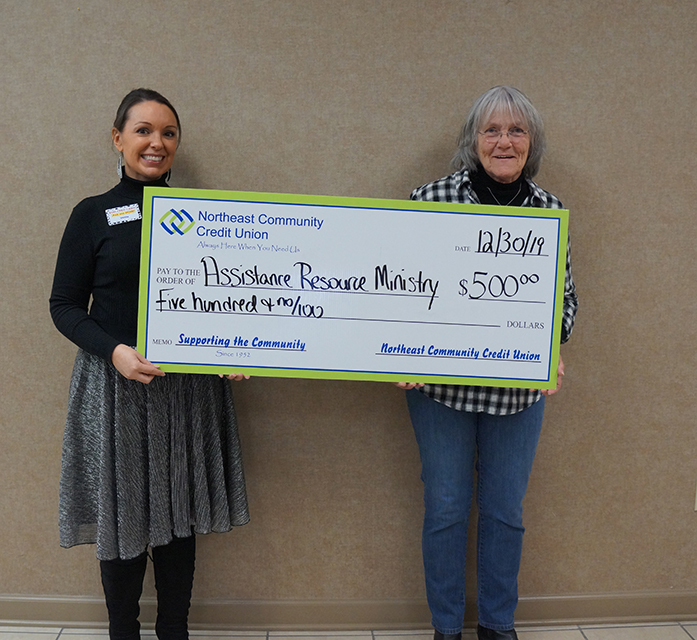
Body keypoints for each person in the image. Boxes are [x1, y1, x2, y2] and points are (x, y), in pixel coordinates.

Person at [50, 88, 250, 640]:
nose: (156, 143)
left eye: (167, 133)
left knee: (177, 514)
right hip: (114, 387)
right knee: (123, 515)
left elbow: (231, 298)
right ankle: (123, 632)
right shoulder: (91, 214)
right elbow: (64, 306)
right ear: (118, 139)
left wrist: (237, 349)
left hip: (187, 388)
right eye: (143, 130)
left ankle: (174, 630)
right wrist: (113, 350)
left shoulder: (206, 216)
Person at [399, 86, 577, 640]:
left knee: (505, 513)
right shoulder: (430, 200)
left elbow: (564, 303)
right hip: (440, 390)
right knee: (447, 509)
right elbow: (396, 292)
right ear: (472, 141)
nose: (504, 141)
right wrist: (393, 352)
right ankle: (446, 630)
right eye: (492, 130)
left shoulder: (549, 211)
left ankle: (498, 627)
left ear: (533, 143)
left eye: (517, 131)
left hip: (516, 393)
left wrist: (551, 348)